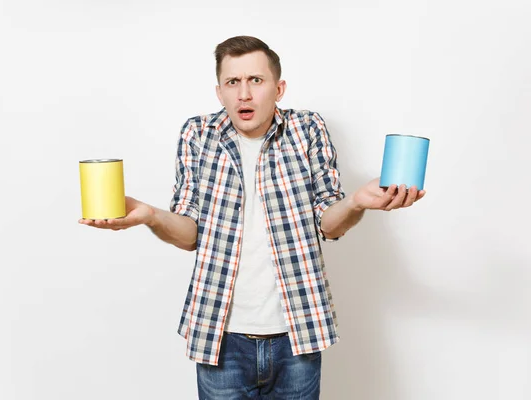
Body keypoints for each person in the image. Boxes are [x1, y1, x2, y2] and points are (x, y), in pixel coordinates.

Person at [79, 36, 425, 399]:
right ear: (219, 92)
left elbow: (327, 222)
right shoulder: (198, 134)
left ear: (279, 88)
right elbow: (188, 234)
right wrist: (150, 216)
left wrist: (356, 201)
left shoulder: (307, 129)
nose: (244, 94)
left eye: (256, 81)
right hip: (221, 338)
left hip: (297, 334)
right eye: (233, 82)